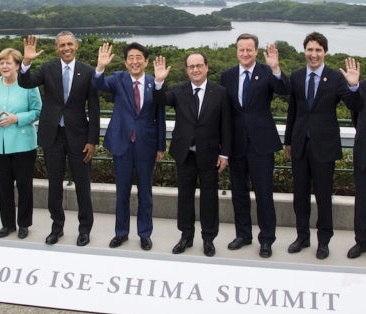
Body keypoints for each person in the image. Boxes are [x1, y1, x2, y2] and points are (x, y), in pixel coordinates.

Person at [284, 32, 362, 259]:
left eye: (318, 50)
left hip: (324, 147)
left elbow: (353, 104)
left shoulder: (336, 78)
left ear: (325, 52)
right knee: (299, 195)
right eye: (310, 49)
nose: (313, 54)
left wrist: (354, 86)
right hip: (299, 145)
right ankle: (302, 236)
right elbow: (292, 112)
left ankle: (324, 241)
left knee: (323, 196)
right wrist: (288, 141)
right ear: (304, 51)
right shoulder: (297, 76)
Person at [18, 32, 100, 246]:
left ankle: (84, 229)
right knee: (54, 185)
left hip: (79, 138)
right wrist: (26, 61)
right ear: (56, 48)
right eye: (62, 45)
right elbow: (25, 83)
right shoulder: (47, 68)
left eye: (70, 44)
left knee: (83, 186)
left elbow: (94, 109)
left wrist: (92, 140)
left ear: (77, 46)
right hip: (52, 136)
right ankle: (57, 227)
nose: (66, 48)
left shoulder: (88, 72)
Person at [153, 52, 231, 257]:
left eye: (199, 65)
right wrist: (159, 82)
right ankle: (186, 236)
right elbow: (159, 99)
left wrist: (225, 154)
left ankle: (208, 238)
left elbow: (226, 126)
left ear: (206, 67)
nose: (195, 70)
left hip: (210, 154)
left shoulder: (220, 92)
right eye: (191, 67)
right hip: (184, 154)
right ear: (187, 69)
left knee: (209, 197)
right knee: (184, 197)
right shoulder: (178, 90)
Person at [219, 33, 290, 258]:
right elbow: (225, 113)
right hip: (237, 145)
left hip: (262, 145)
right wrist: (224, 148)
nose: (245, 53)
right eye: (241, 50)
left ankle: (267, 239)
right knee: (238, 193)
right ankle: (243, 235)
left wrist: (276, 67)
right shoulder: (227, 76)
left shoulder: (267, 72)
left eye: (249, 50)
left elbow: (284, 90)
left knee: (264, 195)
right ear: (236, 51)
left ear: (256, 51)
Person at [92, 43, 166, 251]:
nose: (135, 61)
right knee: (122, 193)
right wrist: (100, 67)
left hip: (146, 146)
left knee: (145, 194)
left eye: (139, 57)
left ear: (146, 61)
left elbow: (160, 117)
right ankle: (121, 233)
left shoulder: (155, 83)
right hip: (122, 145)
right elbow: (98, 85)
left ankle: (144, 234)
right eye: (131, 58)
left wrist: (161, 146)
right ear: (126, 62)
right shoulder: (118, 79)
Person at [0, 48, 42, 239]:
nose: (4, 66)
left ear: (17, 66)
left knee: (24, 187)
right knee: (4, 187)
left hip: (23, 144)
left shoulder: (29, 84)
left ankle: (23, 224)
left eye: (8, 62)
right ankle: (7, 225)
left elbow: (37, 110)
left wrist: (17, 117)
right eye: (1, 63)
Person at [347, 78, 366, 259]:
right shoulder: (362, 87)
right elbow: (355, 115)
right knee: (362, 201)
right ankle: (361, 241)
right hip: (364, 153)